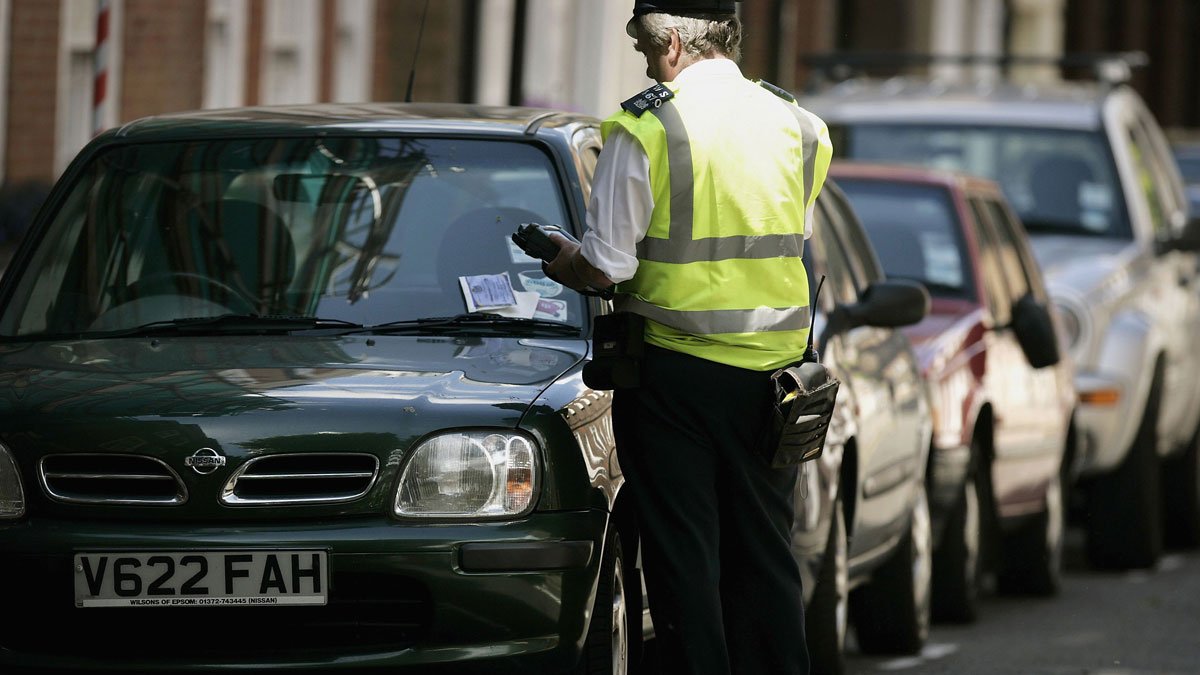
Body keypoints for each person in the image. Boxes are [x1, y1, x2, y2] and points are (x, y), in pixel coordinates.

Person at [544, 1, 832, 673]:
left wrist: (566, 260)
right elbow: (792, 239)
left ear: (672, 41)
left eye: (644, 46)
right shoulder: (801, 124)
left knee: (684, 566)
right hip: (777, 380)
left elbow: (607, 265)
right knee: (766, 561)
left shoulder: (644, 126)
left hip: (676, 380)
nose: (644, 59)